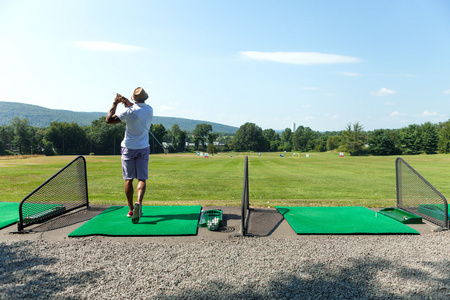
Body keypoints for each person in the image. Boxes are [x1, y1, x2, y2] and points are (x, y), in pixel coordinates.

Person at [105, 87, 153, 224]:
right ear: (145, 98)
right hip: (143, 148)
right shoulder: (149, 109)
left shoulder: (127, 111)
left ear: (133, 98)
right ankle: (139, 203)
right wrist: (126, 102)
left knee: (129, 179)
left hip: (128, 148)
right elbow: (137, 109)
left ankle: (131, 209)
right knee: (142, 179)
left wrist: (115, 103)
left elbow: (109, 120)